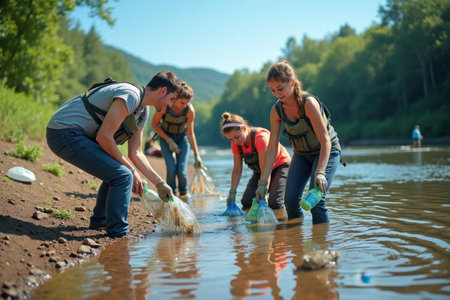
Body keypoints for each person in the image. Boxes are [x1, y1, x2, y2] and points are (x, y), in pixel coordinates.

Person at [46, 71, 183, 238]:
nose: (170, 105)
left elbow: (136, 152)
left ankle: (100, 221)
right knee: (123, 175)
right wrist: (132, 172)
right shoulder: (130, 95)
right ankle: (118, 232)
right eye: (172, 99)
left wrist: (159, 183)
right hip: (63, 132)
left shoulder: (143, 111)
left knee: (117, 171)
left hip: (77, 136)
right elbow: (104, 137)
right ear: (162, 91)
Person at [256, 60, 343, 225]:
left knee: (316, 202)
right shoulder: (276, 111)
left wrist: (320, 172)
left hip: (327, 151)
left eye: (280, 89)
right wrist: (263, 182)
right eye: (273, 90)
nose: (277, 94)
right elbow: (272, 148)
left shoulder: (308, 104)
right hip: (302, 155)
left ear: (292, 83)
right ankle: (296, 242)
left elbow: (325, 141)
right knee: (289, 201)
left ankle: (321, 247)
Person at [220, 112, 291, 220]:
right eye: (231, 139)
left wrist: (264, 189)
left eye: (236, 137)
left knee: (275, 202)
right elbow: (237, 169)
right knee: (247, 202)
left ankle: (281, 227)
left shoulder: (261, 138)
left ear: (244, 128)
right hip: (260, 171)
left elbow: (265, 167)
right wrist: (232, 192)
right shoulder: (236, 143)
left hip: (280, 166)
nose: (235, 141)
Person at [151, 82, 203, 200]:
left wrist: (196, 155)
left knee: (181, 169)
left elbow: (190, 133)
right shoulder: (165, 107)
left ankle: (184, 195)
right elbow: (154, 124)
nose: (185, 106)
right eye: (182, 103)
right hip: (165, 138)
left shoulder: (190, 111)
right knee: (171, 168)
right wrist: (168, 140)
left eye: (187, 103)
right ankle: (171, 195)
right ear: (175, 99)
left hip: (182, 139)